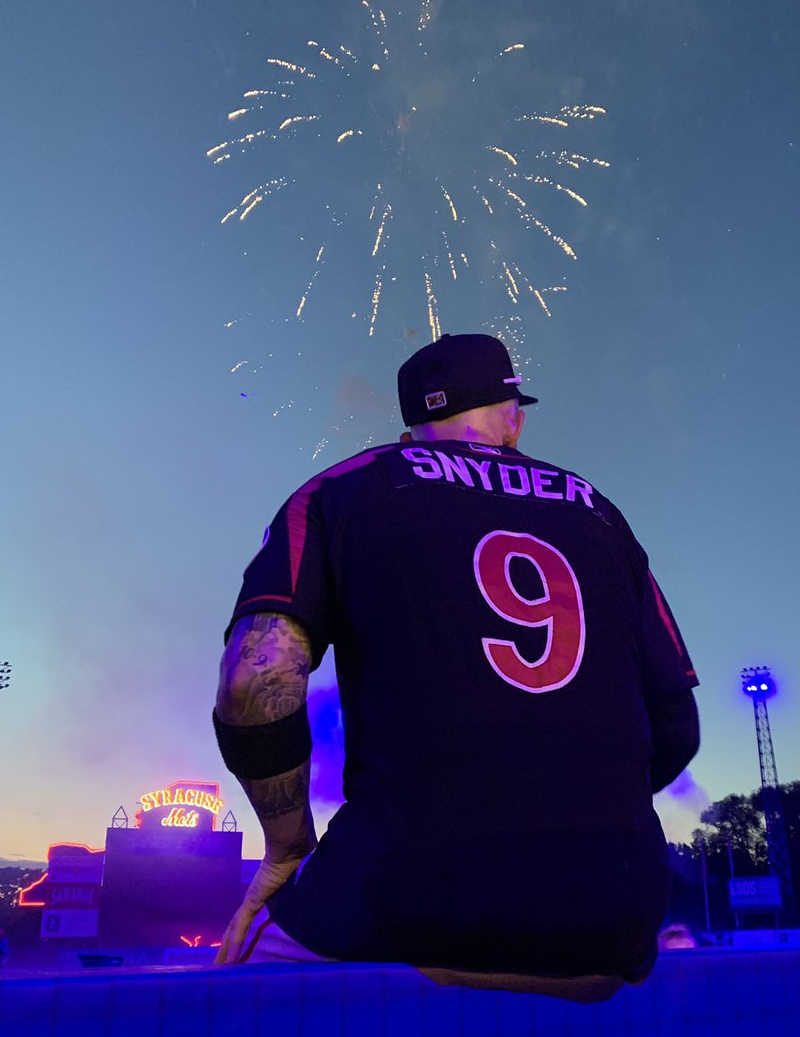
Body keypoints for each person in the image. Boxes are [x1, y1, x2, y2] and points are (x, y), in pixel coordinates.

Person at [212, 333, 699, 997]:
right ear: (510, 417)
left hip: (405, 895)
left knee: (231, 986)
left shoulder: (340, 491)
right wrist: (573, 821)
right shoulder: (602, 514)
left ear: (412, 427)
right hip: (615, 915)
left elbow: (255, 678)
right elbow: (677, 724)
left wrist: (287, 849)